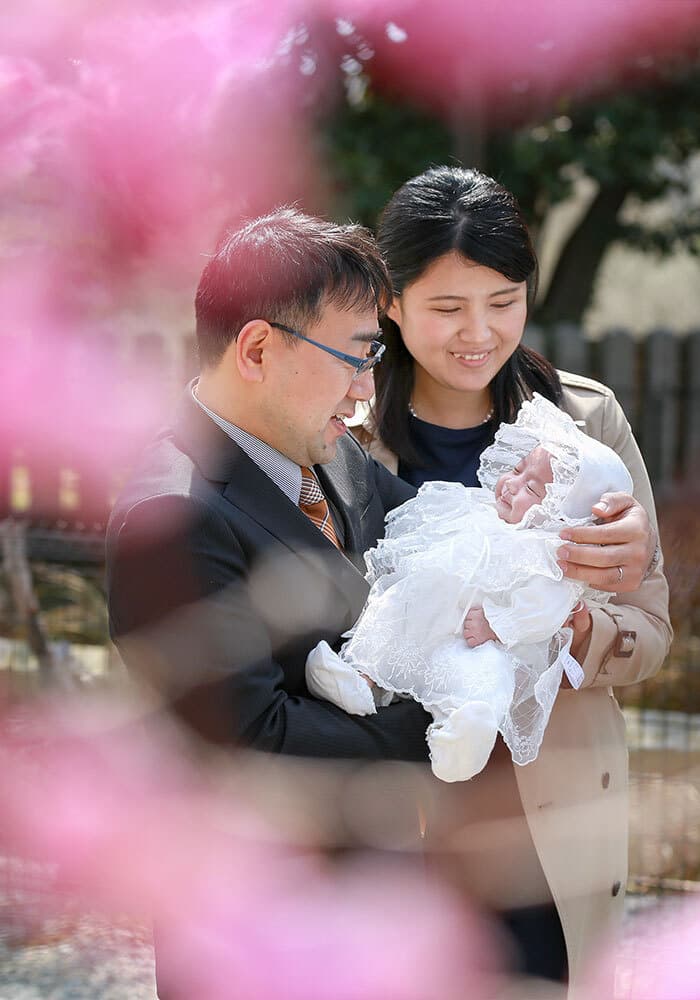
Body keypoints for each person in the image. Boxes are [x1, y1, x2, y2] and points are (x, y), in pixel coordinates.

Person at [105, 204, 659, 997]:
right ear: (259, 348)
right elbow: (254, 743)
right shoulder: (170, 515)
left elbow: (453, 526)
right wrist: (450, 707)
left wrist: (580, 526)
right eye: (355, 357)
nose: (368, 389)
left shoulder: (324, 453)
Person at [349, 166, 671, 994]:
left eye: (504, 301)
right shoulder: (340, 435)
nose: (479, 334)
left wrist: (573, 626)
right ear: (391, 301)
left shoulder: (587, 425)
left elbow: (652, 632)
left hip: (546, 818)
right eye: (448, 308)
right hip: (388, 812)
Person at [307, 395, 635, 784]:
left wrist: (497, 623)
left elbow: (544, 608)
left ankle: (468, 729)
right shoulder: (475, 508)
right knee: (390, 614)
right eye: (517, 470)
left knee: (485, 673)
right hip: (426, 612)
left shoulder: (549, 558)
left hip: (474, 639)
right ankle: (357, 676)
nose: (511, 485)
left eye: (532, 488)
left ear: (562, 515)